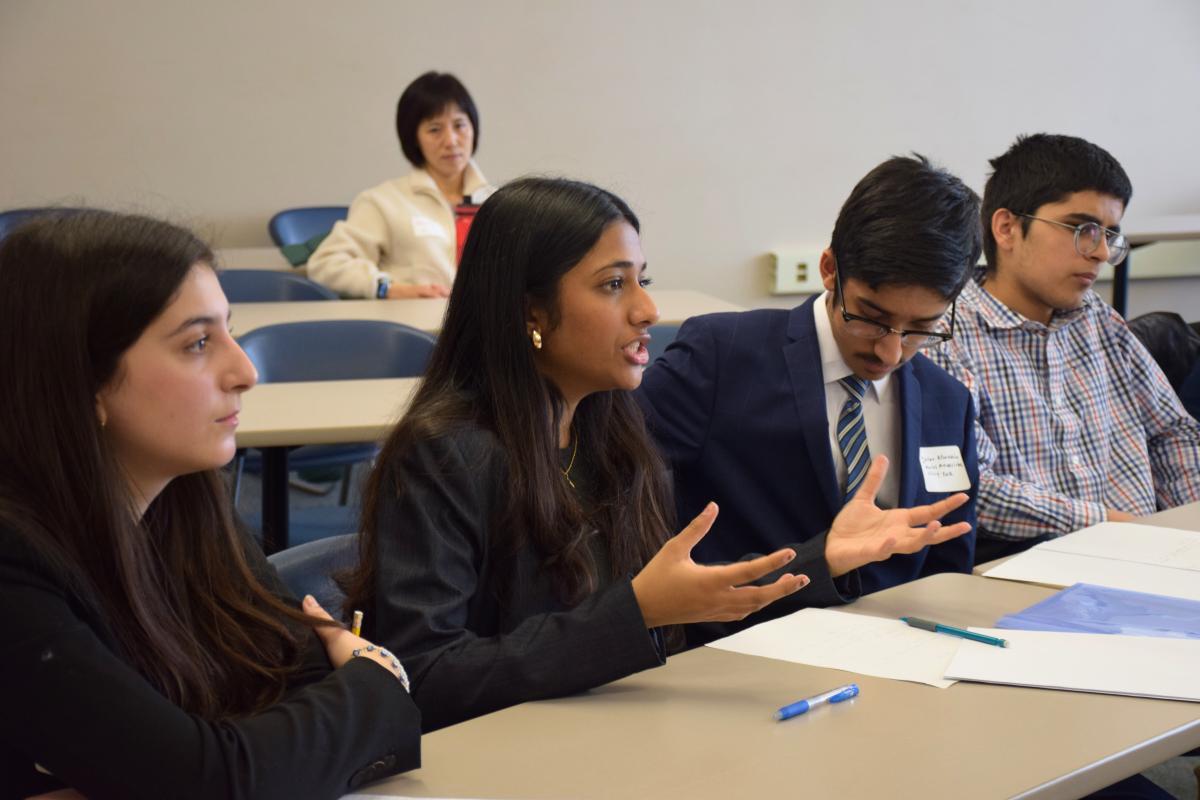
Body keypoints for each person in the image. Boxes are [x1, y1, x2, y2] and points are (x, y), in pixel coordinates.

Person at [341, 177, 972, 732]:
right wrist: (638, 611)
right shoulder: (446, 454)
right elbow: (422, 678)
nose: (647, 310)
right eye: (614, 285)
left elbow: (677, 611)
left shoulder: (610, 435)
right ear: (530, 310)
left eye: (643, 280)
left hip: (613, 736)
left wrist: (823, 557)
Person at [0, 211, 420, 799]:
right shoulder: (14, 563)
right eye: (198, 343)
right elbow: (208, 783)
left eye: (228, 331)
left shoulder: (184, 502)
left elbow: (295, 672)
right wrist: (377, 682)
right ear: (83, 382)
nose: (244, 370)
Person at [637, 155, 979, 618]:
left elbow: (948, 563)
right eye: (871, 318)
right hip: (742, 640)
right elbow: (608, 488)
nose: (891, 353)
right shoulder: (721, 356)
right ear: (829, 269)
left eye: (922, 327)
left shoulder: (947, 402)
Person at [926, 133, 1200, 561]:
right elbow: (971, 485)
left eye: (1110, 234)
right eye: (1082, 229)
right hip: (1031, 572)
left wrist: (1186, 528)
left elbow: (1173, 433)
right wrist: (1114, 525)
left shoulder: (1099, 321)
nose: (1101, 252)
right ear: (1007, 228)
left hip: (1152, 558)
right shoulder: (945, 337)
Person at [307, 71, 495, 299]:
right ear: (413, 138)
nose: (451, 140)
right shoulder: (383, 201)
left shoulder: (498, 203)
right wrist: (387, 288)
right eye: (435, 129)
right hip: (416, 329)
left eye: (459, 125)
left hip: (488, 331)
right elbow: (326, 263)